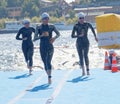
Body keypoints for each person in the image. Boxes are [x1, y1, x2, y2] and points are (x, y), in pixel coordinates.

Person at [33, 12, 60, 84]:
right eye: (44, 19)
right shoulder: (39, 27)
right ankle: (48, 75)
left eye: (47, 18)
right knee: (45, 62)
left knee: (48, 62)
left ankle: (49, 77)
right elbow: (34, 39)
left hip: (50, 46)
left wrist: (54, 38)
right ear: (42, 19)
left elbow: (58, 34)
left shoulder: (52, 26)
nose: (46, 20)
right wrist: (41, 35)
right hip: (42, 47)